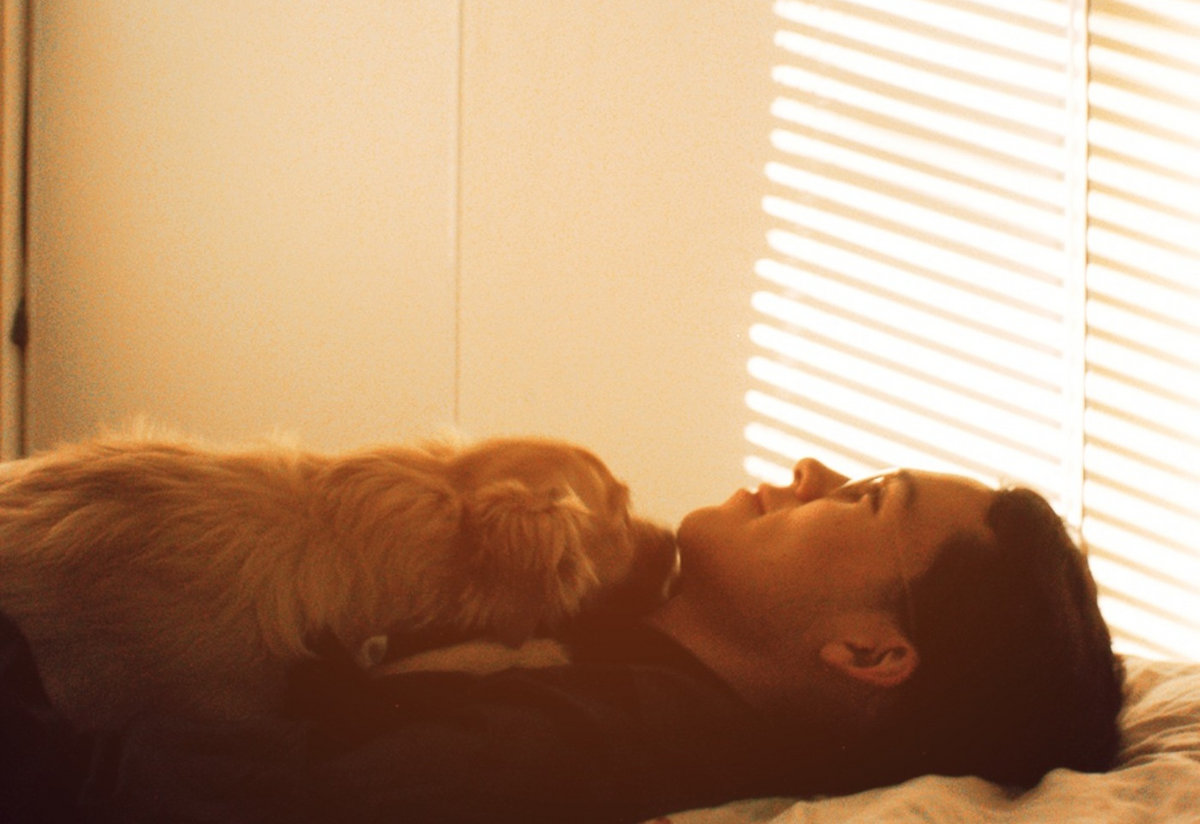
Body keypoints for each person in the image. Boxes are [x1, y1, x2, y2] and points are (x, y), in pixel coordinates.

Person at [1, 458, 1124, 824]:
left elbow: (213, 800)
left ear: (870, 654)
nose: (811, 471)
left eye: (868, 499)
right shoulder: (606, 632)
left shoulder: (600, 747)